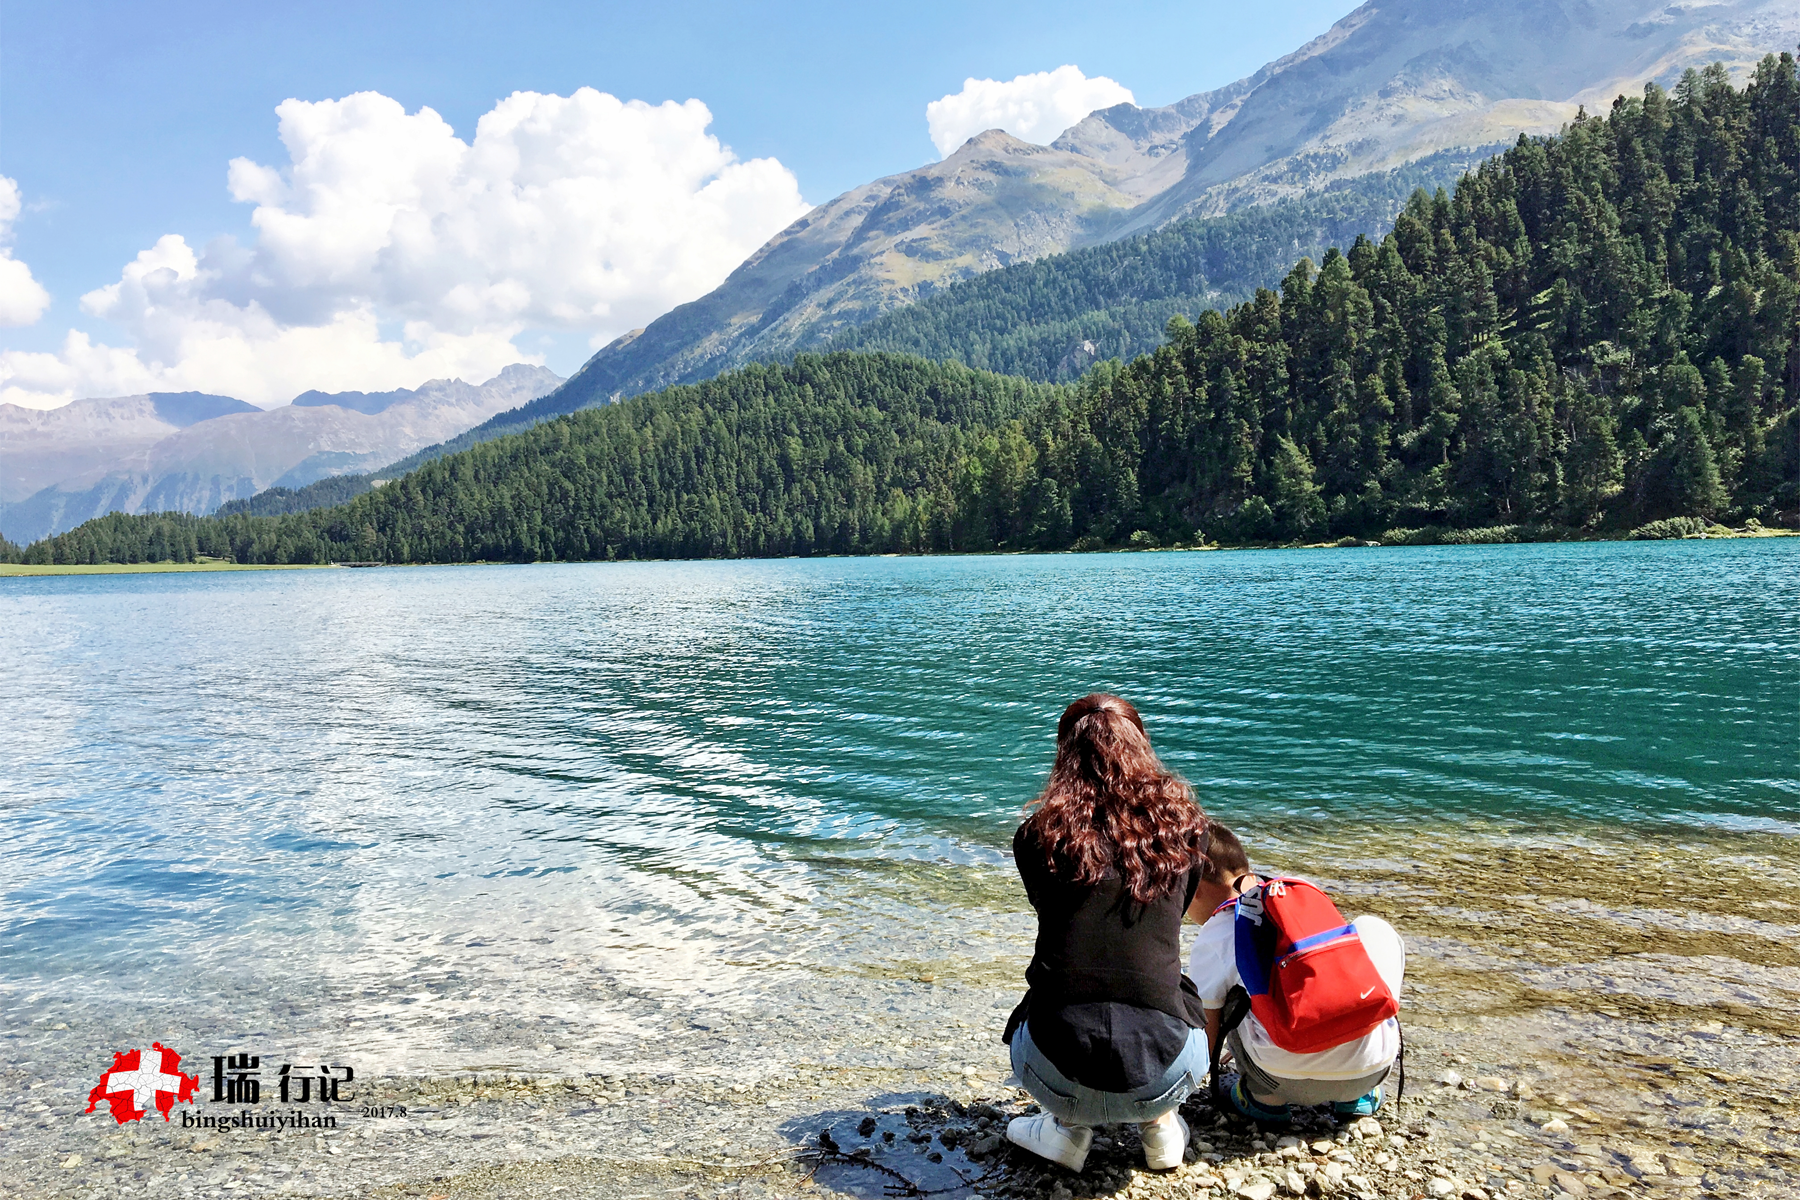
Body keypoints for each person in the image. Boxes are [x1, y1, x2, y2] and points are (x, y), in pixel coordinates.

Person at [1002, 694, 1211, 1173]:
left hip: (1055, 1070)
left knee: (1056, 991)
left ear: (1064, 758)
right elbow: (1174, 913)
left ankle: (1064, 1128)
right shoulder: (1187, 831)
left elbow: (1051, 914)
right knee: (1176, 987)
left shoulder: (1037, 838)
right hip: (1166, 1072)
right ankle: (1160, 1126)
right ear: (1143, 748)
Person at [1185, 823, 1405, 1122]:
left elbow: (1206, 1037)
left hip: (1278, 1078)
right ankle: (1357, 1098)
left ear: (1194, 890)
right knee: (1372, 930)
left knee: (1221, 995)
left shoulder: (1216, 933)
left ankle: (1263, 1101)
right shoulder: (1298, 902)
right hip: (1370, 1070)